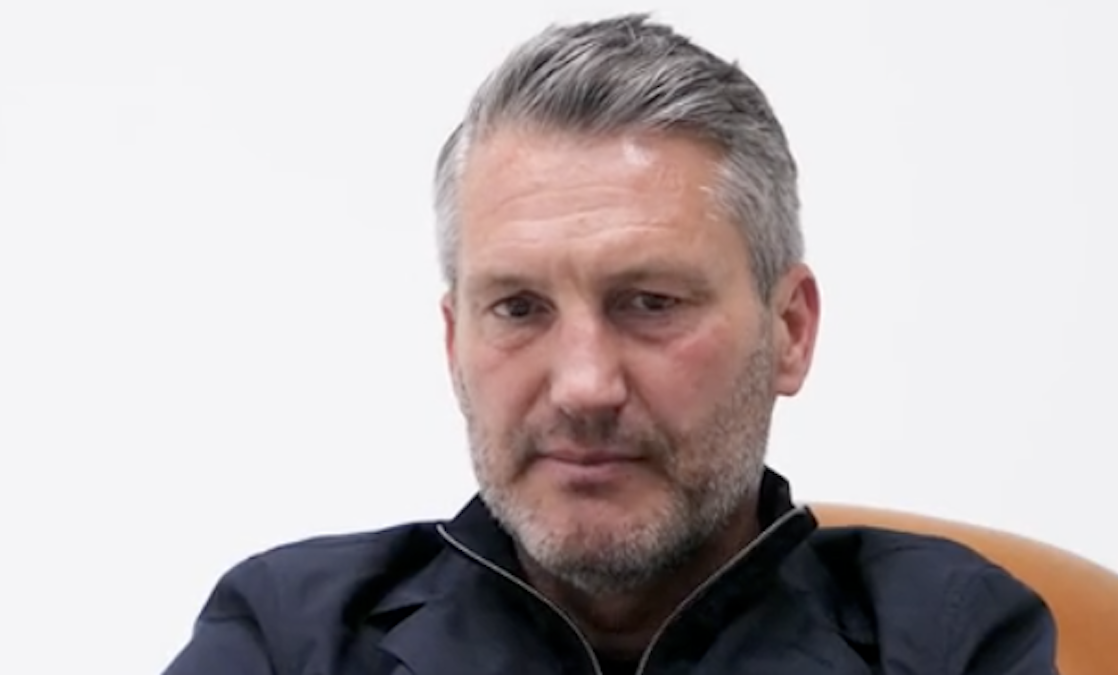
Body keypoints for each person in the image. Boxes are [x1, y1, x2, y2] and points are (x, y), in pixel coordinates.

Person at [163, 14, 1057, 675]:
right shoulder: (290, 637)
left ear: (789, 331)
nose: (584, 385)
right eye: (519, 308)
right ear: (454, 342)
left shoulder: (946, 640)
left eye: (650, 303)